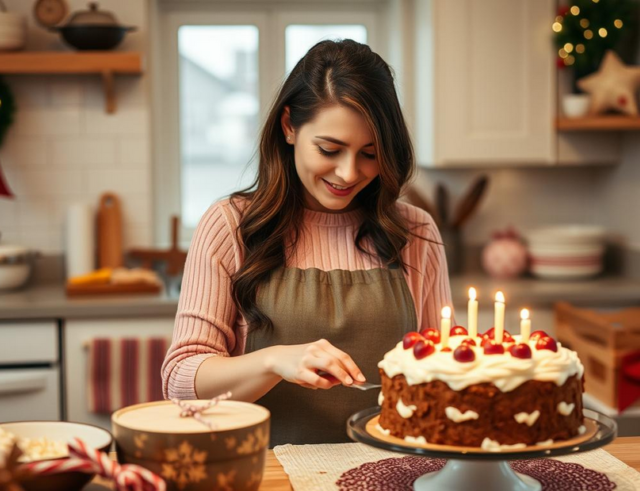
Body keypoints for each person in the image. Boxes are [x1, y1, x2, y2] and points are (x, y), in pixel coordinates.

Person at [162, 39, 453, 445]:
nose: (348, 173)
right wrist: (273, 361)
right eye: (330, 149)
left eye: (370, 154)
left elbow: (446, 376)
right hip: (266, 470)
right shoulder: (230, 225)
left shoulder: (415, 232)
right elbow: (180, 383)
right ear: (289, 126)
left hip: (391, 470)